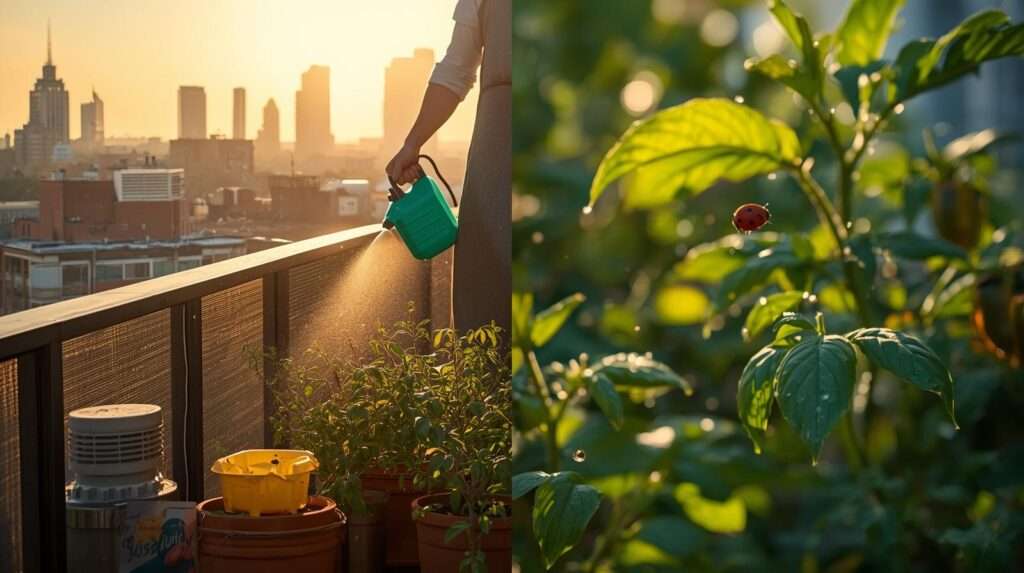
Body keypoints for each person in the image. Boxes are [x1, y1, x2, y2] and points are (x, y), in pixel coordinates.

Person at [386, 0, 510, 335]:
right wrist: (412, 144)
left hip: (518, 139)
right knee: (486, 276)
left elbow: (455, 71)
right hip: (497, 145)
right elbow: (456, 71)